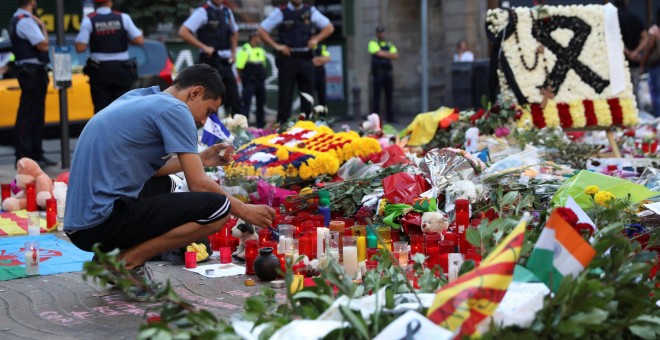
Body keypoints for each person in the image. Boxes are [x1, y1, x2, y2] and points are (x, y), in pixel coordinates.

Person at [63, 64, 276, 301]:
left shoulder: (141, 97)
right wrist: (245, 210)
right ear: (195, 92)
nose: (205, 121)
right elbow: (199, 185)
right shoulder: (177, 110)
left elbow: (152, 170)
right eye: (208, 110)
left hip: (82, 221)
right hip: (99, 221)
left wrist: (203, 159)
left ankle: (109, 256)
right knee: (219, 210)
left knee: (168, 185)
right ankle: (126, 262)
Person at [258, 0, 334, 123]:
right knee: (285, 97)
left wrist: (316, 39)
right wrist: (277, 46)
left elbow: (329, 27)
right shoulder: (281, 12)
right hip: (288, 59)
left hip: (306, 59)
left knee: (308, 97)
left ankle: (308, 127)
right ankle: (282, 129)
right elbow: (261, 31)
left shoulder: (310, 11)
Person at [8, 0, 56, 168]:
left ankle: (35, 155)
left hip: (32, 72)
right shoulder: (26, 20)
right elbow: (43, 45)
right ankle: (26, 156)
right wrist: (42, 26)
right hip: (32, 72)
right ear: (32, 2)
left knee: (34, 115)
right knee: (29, 116)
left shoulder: (17, 19)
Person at [75, 0, 144, 114]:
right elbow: (139, 40)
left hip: (99, 70)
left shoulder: (89, 20)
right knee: (124, 107)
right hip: (121, 69)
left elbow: (80, 48)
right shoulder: (123, 17)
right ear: (110, 2)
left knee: (101, 110)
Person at [179, 0, 242, 116]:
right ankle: (209, 132)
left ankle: (236, 131)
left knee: (234, 101)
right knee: (209, 101)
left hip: (226, 62)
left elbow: (235, 31)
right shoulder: (203, 11)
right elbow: (183, 32)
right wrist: (204, 47)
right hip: (209, 62)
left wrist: (233, 52)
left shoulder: (227, 11)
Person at [615, 0, 645, 107]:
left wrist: (627, 53)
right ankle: (637, 116)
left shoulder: (613, 19)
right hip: (634, 61)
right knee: (635, 91)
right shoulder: (635, 17)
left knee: (620, 93)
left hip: (618, 64)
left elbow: (614, 39)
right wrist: (636, 52)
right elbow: (645, 37)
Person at [236, 31, 267, 127]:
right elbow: (239, 67)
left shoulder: (261, 49)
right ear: (253, 37)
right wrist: (244, 78)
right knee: (246, 103)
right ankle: (244, 125)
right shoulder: (245, 50)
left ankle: (260, 125)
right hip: (249, 80)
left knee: (261, 103)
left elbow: (263, 65)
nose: (260, 39)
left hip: (260, 80)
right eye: (258, 37)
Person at [369, 24, 398, 123]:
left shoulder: (389, 44)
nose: (380, 34)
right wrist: (388, 55)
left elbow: (395, 55)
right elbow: (377, 53)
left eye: (382, 32)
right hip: (378, 73)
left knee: (389, 96)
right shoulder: (373, 43)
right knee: (376, 97)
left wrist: (383, 54)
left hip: (388, 73)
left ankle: (390, 117)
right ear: (377, 33)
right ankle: (375, 119)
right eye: (379, 32)